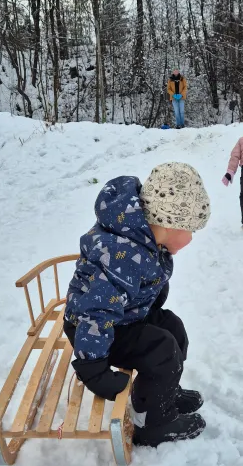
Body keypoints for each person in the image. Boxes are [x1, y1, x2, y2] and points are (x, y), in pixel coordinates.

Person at [63, 162, 211, 447]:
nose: (192, 238)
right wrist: (93, 370)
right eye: (191, 229)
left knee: (173, 328)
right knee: (162, 349)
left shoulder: (142, 240)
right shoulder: (121, 252)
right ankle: (155, 423)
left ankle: (159, 394)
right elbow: (95, 313)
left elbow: (138, 285)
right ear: (170, 223)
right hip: (94, 334)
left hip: (121, 317)